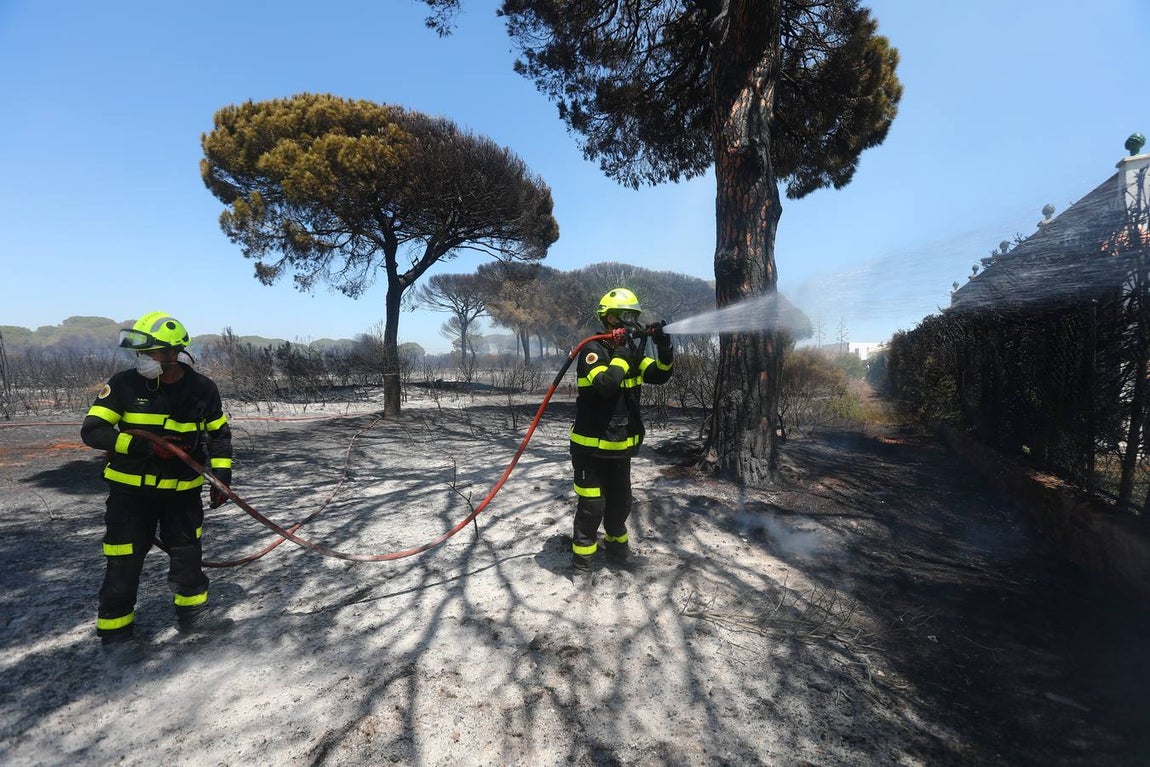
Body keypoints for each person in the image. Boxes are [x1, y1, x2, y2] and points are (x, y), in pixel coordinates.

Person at [80, 312, 234, 656]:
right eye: (141, 353)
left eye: (148, 353)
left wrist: (221, 478)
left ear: (171, 353)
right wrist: (145, 446)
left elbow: (219, 435)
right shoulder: (123, 385)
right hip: (131, 495)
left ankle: (194, 615)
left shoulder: (203, 389)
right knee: (124, 560)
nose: (142, 360)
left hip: (181, 495)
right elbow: (92, 432)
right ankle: (116, 635)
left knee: (187, 555)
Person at [569, 288, 673, 571]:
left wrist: (665, 348)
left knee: (619, 507)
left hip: (618, 449)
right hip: (589, 449)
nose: (629, 323)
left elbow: (661, 374)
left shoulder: (633, 355)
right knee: (592, 508)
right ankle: (582, 564)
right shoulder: (592, 351)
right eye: (623, 317)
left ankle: (618, 557)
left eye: (633, 317)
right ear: (607, 318)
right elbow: (605, 386)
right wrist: (622, 355)